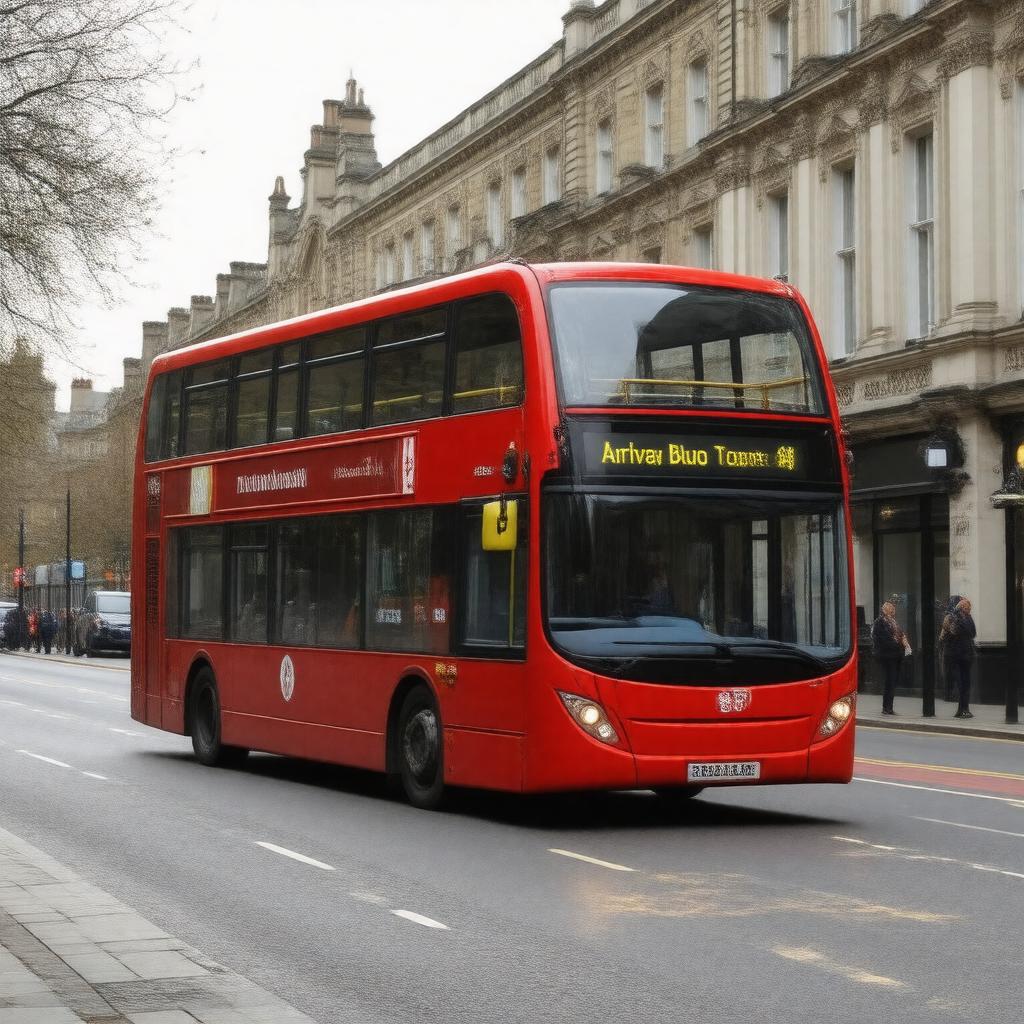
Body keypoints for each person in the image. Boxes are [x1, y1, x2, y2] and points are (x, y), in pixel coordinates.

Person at [943, 597, 977, 719]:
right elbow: (954, 631)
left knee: (967, 683)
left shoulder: (968, 617)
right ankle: (961, 709)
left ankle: (965, 708)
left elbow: (973, 632)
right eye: (968, 607)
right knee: (961, 683)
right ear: (962, 607)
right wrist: (963, 623)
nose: (970, 609)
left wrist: (967, 620)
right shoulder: (952, 617)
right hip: (955, 655)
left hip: (967, 655)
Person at [871, 601, 907, 715]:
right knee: (889, 681)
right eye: (890, 608)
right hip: (886, 655)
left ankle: (889, 707)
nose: (893, 610)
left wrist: (903, 640)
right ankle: (886, 708)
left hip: (895, 655)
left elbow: (899, 634)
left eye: (893, 608)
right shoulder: (880, 622)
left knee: (892, 681)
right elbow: (881, 639)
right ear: (885, 610)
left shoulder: (893, 622)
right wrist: (897, 643)